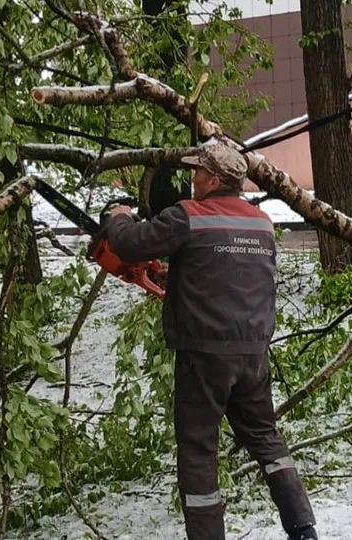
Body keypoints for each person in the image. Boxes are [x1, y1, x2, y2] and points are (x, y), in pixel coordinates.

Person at [106, 142, 318, 540]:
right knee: (267, 441)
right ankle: (304, 529)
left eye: (198, 173)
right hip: (253, 355)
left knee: (199, 452)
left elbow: (129, 243)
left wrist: (117, 217)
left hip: (203, 358)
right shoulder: (262, 224)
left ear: (215, 180)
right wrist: (178, 276)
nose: (194, 178)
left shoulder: (188, 216)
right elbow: (233, 273)